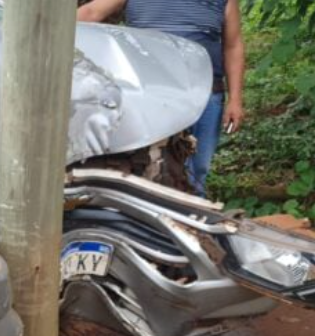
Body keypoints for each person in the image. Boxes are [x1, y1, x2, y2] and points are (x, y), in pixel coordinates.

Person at [78, 0, 245, 198]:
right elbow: (91, 13)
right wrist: (44, 28)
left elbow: (232, 46)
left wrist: (235, 99)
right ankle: (149, 218)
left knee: (198, 169)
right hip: (151, 95)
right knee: (151, 164)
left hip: (206, 94)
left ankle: (191, 219)